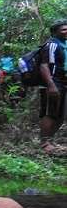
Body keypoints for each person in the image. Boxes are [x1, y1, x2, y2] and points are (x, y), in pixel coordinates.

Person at [38, 20, 67, 155]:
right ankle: (44, 143)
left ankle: (49, 141)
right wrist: (51, 85)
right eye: (63, 30)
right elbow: (44, 65)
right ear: (55, 32)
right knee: (50, 113)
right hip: (53, 83)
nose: (66, 32)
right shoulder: (51, 45)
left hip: (63, 82)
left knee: (60, 116)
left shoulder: (64, 45)